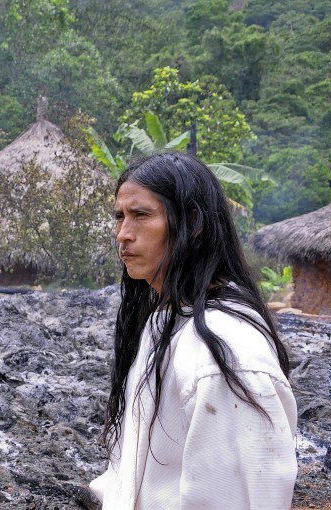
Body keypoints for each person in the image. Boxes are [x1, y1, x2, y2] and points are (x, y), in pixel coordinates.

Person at [89, 152, 297, 509]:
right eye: (120, 217)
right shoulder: (167, 320)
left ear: (193, 222)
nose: (123, 234)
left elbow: (242, 498)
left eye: (141, 215)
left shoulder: (226, 352)